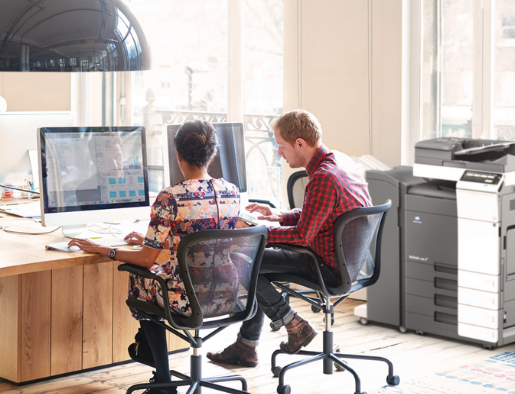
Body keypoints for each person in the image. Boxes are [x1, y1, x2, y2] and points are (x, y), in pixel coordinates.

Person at [68, 120, 241, 394]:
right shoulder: (232, 192)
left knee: (140, 280)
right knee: (157, 276)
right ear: (213, 153)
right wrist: (154, 240)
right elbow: (201, 239)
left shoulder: (170, 197)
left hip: (185, 299)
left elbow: (146, 261)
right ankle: (152, 359)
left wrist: (105, 250)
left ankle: (163, 380)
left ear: (178, 155)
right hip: (227, 293)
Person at [207, 109, 371, 367]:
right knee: (255, 264)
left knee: (242, 260)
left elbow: (303, 236)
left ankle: (294, 325)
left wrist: (257, 233)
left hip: (326, 266)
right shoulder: (339, 162)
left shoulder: (323, 178)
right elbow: (321, 215)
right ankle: (246, 346)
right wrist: (279, 216)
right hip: (353, 263)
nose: (279, 153)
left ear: (300, 144)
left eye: (281, 147)